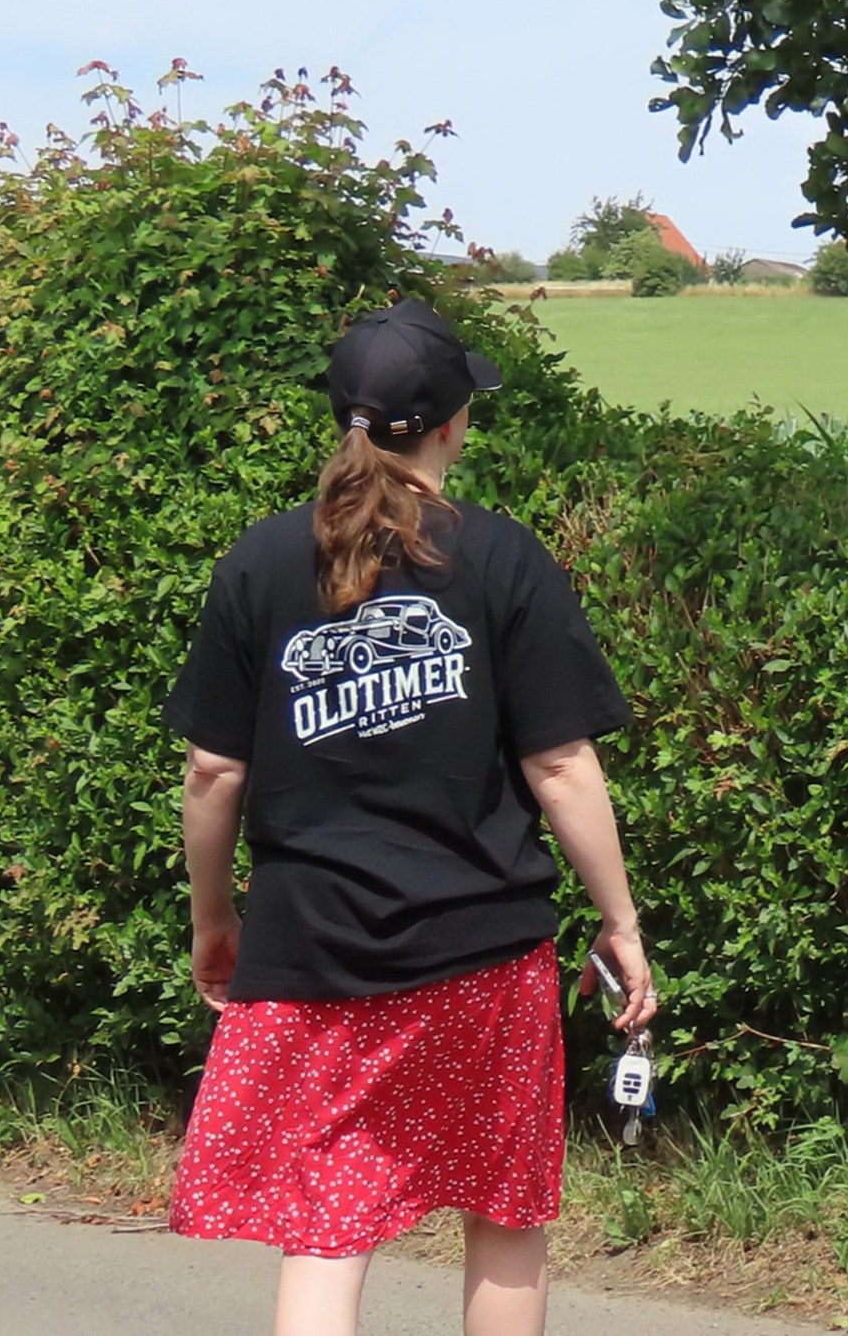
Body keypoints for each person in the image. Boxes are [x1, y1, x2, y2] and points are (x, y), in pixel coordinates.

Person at [164, 298, 654, 1336]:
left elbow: (212, 771)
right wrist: (620, 921)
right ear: (452, 425)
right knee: (504, 1212)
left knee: (325, 1224)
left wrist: (214, 919)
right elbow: (560, 763)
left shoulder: (259, 563)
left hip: (313, 953)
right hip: (482, 952)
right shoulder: (504, 558)